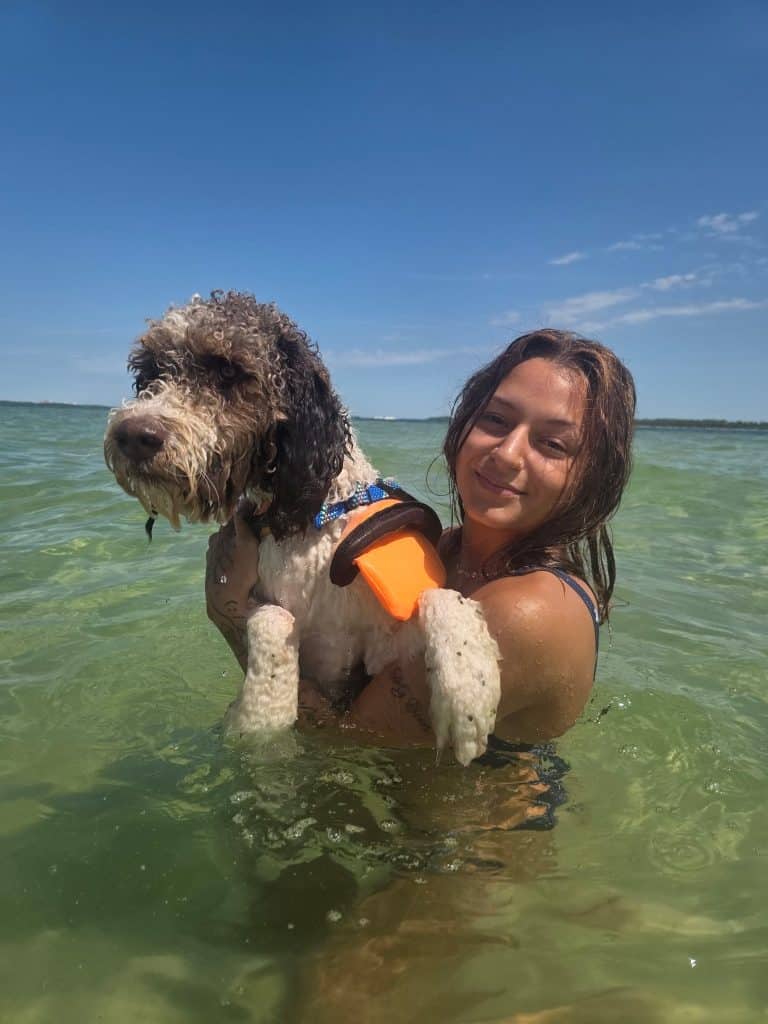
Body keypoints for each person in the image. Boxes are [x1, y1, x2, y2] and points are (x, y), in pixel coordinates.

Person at [205, 329, 636, 754]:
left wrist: (230, 615)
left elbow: (347, 742)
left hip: (468, 825)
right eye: (496, 420)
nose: (507, 454)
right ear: (464, 423)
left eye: (553, 444)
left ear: (591, 479)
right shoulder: (440, 549)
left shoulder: (529, 613)